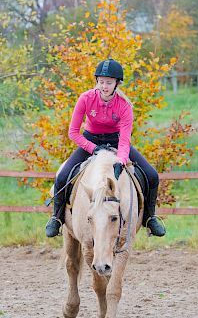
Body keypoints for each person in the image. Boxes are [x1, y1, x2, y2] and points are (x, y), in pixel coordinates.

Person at [45, 58, 166, 238]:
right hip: (90, 141)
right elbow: (73, 132)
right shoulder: (85, 98)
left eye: (108, 82)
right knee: (63, 176)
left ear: (117, 83)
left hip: (116, 142)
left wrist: (121, 160)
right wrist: (92, 148)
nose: (104, 86)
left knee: (152, 175)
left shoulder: (124, 105)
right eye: (101, 82)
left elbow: (125, 140)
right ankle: (56, 218)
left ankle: (150, 217)